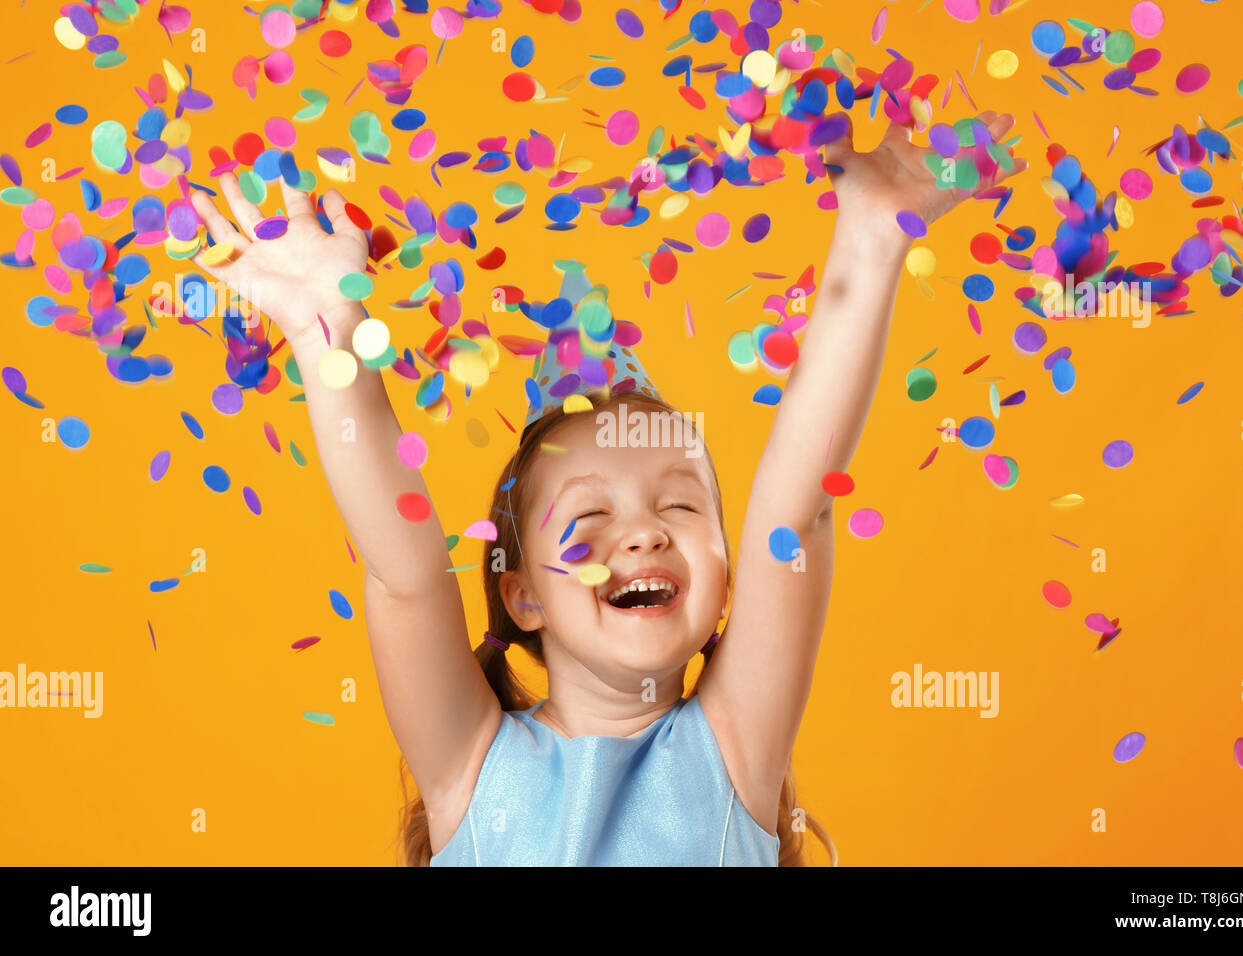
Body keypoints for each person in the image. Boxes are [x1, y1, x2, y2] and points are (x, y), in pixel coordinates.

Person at [190, 109, 1025, 866]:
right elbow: (406, 576)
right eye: (590, 514)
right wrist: (328, 339)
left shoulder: (731, 751)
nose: (644, 535)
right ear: (522, 598)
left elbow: (793, 515)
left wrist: (874, 240)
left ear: (732, 574)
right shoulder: (471, 771)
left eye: (680, 505)